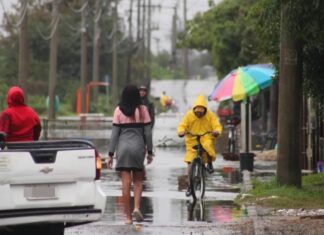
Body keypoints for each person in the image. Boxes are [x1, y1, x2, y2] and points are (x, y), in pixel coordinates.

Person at [107, 85, 154, 225]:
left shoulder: (118, 110)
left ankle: (128, 218)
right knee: (138, 181)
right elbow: (148, 133)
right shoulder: (143, 110)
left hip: (123, 149)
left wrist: (110, 154)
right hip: (138, 148)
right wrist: (150, 152)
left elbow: (114, 134)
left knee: (125, 184)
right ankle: (137, 207)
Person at [177, 94, 222, 197]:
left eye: (201, 112)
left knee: (208, 145)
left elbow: (216, 125)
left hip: (206, 137)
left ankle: (209, 162)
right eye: (197, 112)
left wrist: (216, 131)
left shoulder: (210, 115)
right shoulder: (189, 115)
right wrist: (181, 131)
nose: (199, 114)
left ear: (205, 110)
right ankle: (190, 185)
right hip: (192, 139)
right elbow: (182, 125)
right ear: (194, 110)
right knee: (189, 163)